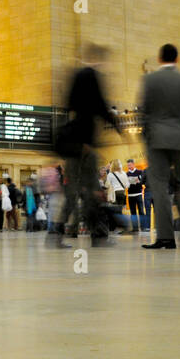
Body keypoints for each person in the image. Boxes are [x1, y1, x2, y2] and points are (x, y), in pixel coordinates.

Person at [56, 44, 122, 244]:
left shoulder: (76, 76)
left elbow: (68, 105)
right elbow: (99, 106)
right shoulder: (91, 76)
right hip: (85, 142)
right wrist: (116, 125)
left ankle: (56, 232)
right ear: (99, 58)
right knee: (93, 188)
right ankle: (99, 234)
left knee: (73, 191)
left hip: (73, 143)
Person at [138, 44, 180, 250]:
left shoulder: (150, 80)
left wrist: (145, 135)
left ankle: (166, 238)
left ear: (159, 58)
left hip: (157, 138)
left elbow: (144, 112)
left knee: (160, 187)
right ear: (177, 58)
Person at [125, 158, 146, 232]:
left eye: (130, 165)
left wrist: (139, 181)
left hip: (139, 194)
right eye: (128, 165)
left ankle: (143, 227)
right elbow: (125, 185)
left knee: (141, 211)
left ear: (133, 164)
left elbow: (143, 182)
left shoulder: (140, 172)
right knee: (133, 212)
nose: (129, 167)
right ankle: (135, 228)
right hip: (130, 195)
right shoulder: (126, 174)